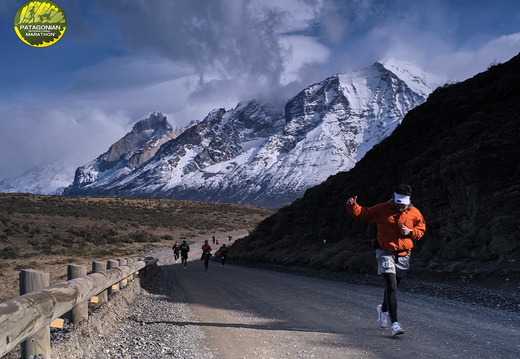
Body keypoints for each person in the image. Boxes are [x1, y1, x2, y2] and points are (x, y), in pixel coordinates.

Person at [346, 184, 426, 336]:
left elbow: (421, 230)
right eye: (398, 201)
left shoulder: (414, 212)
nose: (400, 205)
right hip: (385, 252)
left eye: (404, 202)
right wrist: (353, 206)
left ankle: (383, 310)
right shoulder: (382, 209)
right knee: (391, 285)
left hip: (404, 254)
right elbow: (364, 213)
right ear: (393, 197)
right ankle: (395, 323)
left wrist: (410, 232)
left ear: (408, 200)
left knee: (393, 287)